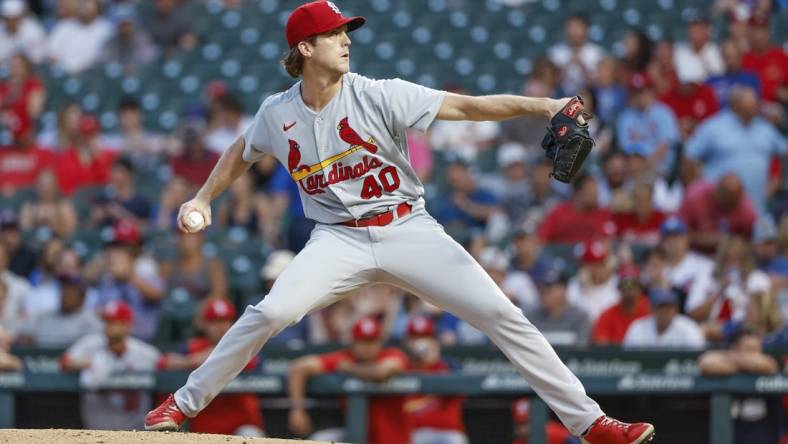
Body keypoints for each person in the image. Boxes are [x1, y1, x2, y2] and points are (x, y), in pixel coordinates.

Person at [145, 3, 654, 443]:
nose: (345, 40)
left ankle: (591, 424)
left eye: (346, 31)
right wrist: (204, 195)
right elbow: (243, 150)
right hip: (337, 238)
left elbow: (468, 107)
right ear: (304, 47)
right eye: (333, 33)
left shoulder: (378, 93)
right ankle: (184, 404)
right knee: (270, 313)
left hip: (407, 227)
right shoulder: (276, 113)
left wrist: (545, 105)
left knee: (503, 316)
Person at [286, 316, 410, 444]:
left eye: (371, 341)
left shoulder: (392, 354)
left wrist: (350, 368)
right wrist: (298, 409)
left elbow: (381, 372)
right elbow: (298, 368)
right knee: (319, 440)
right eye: (362, 341)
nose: (367, 347)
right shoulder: (345, 357)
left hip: (394, 439)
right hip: (356, 436)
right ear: (353, 342)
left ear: (380, 342)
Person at [158, 298, 265, 437]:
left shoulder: (244, 346)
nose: (221, 327)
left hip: (241, 426)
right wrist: (191, 361)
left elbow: (255, 364)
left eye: (225, 321)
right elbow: (163, 362)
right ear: (204, 325)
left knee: (252, 434)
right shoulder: (193, 347)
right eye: (215, 322)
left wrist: (210, 358)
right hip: (204, 429)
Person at [684, 86, 787, 215]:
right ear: (735, 105)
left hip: (756, 210)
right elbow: (689, 157)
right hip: (718, 208)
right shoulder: (714, 127)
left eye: (755, 104)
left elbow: (784, 151)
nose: (755, 108)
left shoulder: (764, 128)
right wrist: (694, 193)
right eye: (749, 105)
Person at [61, 301, 161, 430]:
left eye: (115, 322)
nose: (109, 326)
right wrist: (88, 363)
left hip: (134, 432)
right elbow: (64, 362)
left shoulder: (144, 352)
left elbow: (165, 364)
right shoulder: (90, 344)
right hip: (97, 430)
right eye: (107, 321)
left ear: (128, 325)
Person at [698, 327, 781, 444]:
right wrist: (741, 363)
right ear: (734, 349)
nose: (754, 355)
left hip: (760, 433)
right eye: (749, 349)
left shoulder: (766, 363)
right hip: (730, 432)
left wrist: (738, 361)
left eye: (757, 350)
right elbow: (706, 364)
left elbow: (769, 365)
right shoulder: (722, 360)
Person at [403, 315, 468, 444]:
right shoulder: (401, 365)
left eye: (425, 337)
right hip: (415, 432)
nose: (420, 343)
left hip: (447, 431)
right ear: (407, 341)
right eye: (415, 337)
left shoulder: (449, 365)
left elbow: (461, 393)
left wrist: (434, 363)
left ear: (434, 340)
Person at [16, 273, 102, 348]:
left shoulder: (91, 321)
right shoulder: (44, 316)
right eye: (63, 289)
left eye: (70, 291)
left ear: (82, 296)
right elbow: (22, 335)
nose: (65, 294)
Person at [678, 174, 757, 253]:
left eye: (732, 202)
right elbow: (676, 234)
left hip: (728, 257)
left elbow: (751, 243)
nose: (728, 204)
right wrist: (704, 239)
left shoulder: (746, 211)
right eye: (726, 199)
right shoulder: (695, 197)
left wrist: (732, 241)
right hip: (692, 254)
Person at [537, 173, 615, 245]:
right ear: (578, 192)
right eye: (590, 191)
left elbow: (611, 240)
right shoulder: (559, 213)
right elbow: (541, 239)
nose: (596, 195)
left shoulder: (604, 214)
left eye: (596, 191)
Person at [526, 264, 591, 347]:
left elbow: (582, 350)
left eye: (549, 289)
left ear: (564, 290)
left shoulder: (580, 317)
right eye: (542, 288)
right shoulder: (531, 317)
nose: (544, 293)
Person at [622, 288, 706, 349]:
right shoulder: (638, 327)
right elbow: (628, 357)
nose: (664, 311)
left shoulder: (688, 327)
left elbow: (697, 356)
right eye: (660, 307)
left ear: (676, 309)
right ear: (651, 309)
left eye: (668, 307)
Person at [159, 230, 228, 301]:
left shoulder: (212, 266)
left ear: (200, 238)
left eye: (190, 236)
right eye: (183, 236)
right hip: (172, 309)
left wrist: (200, 308)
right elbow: (158, 291)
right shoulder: (169, 265)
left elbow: (219, 293)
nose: (186, 240)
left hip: (201, 308)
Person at [47, 0, 113, 74]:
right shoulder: (64, 25)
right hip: (63, 74)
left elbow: (103, 58)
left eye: (88, 3)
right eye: (82, 3)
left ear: (97, 6)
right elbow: (51, 53)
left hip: (92, 74)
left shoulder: (106, 29)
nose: (84, 7)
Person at [547, 13, 605, 95]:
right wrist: (566, 67)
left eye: (577, 27)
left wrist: (581, 66)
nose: (574, 32)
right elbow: (549, 82)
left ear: (586, 29)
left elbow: (601, 84)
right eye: (570, 27)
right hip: (560, 97)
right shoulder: (556, 52)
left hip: (590, 99)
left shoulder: (596, 53)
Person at [592, 264, 651, 345]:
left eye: (634, 284)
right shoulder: (608, 315)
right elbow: (601, 345)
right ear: (619, 288)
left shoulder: (650, 309)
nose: (630, 289)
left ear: (640, 288)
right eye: (625, 284)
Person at [566, 240, 620, 323]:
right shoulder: (575, 285)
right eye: (593, 265)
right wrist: (586, 290)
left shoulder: (618, 283)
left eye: (601, 263)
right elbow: (574, 319)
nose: (599, 269)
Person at [19, 169, 78, 239]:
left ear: (55, 186)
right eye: (42, 185)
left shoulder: (64, 206)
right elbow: (24, 232)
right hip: (33, 244)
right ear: (37, 186)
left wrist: (53, 224)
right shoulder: (29, 207)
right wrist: (36, 221)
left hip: (58, 243)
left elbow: (71, 232)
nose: (46, 189)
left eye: (49, 184)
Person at [706, 39, 761, 107]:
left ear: (741, 57)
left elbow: (755, 104)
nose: (731, 61)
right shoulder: (712, 81)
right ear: (722, 58)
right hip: (718, 116)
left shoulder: (751, 79)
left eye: (735, 56)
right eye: (728, 57)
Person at [511, 398, 577, 444]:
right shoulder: (518, 442)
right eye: (518, 425)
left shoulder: (555, 433)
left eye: (526, 423)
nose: (522, 430)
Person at [0, 0, 46, 66]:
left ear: (20, 17)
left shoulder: (33, 29)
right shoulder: (1, 29)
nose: (10, 22)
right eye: (7, 19)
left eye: (14, 19)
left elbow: (38, 58)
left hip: (30, 70)